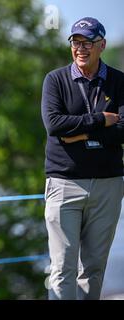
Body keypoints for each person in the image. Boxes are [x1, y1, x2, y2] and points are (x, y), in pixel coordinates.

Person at [41, 17, 124, 300]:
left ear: (101, 45)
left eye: (86, 43)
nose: (80, 49)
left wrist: (79, 134)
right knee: (62, 268)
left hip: (108, 185)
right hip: (64, 184)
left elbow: (123, 130)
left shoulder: (120, 81)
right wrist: (102, 120)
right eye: (75, 42)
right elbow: (55, 125)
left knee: (93, 269)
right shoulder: (55, 80)